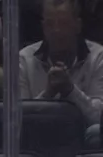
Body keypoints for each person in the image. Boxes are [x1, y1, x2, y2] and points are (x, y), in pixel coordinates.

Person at [20, 0, 103, 146]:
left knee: (96, 133)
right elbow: (17, 123)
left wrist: (70, 90)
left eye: (64, 23)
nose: (57, 30)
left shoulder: (98, 57)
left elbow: (98, 119)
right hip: (35, 141)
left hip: (83, 143)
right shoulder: (23, 59)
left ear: (78, 25)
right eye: (50, 24)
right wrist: (48, 94)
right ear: (43, 27)